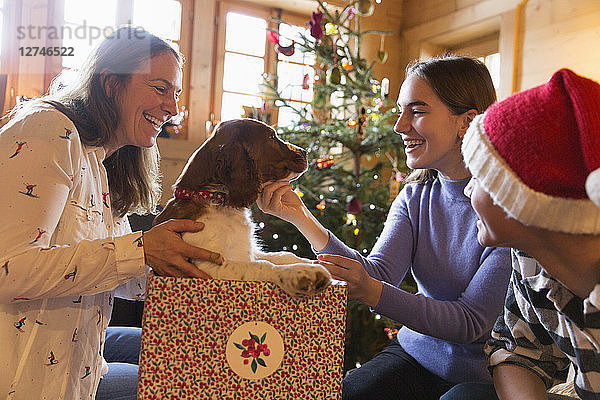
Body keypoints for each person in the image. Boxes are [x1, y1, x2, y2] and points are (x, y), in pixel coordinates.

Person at [257, 56, 512, 399]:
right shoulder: (415, 194)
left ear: (467, 121)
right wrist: (300, 216)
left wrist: (370, 290)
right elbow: (379, 272)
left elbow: (470, 323)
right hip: (416, 355)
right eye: (401, 111)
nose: (400, 126)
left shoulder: (507, 209)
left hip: (487, 376)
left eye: (417, 111)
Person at [0, 27, 222, 400]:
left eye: (176, 93)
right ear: (109, 83)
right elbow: (8, 269)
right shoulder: (47, 129)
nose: (173, 108)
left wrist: (188, 265)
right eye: (160, 88)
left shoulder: (103, 164)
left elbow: (113, 272)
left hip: (78, 373)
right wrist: (141, 251)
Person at [444, 68, 600, 400]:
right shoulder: (530, 259)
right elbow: (518, 351)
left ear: (529, 198)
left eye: (482, 176)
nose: (469, 190)